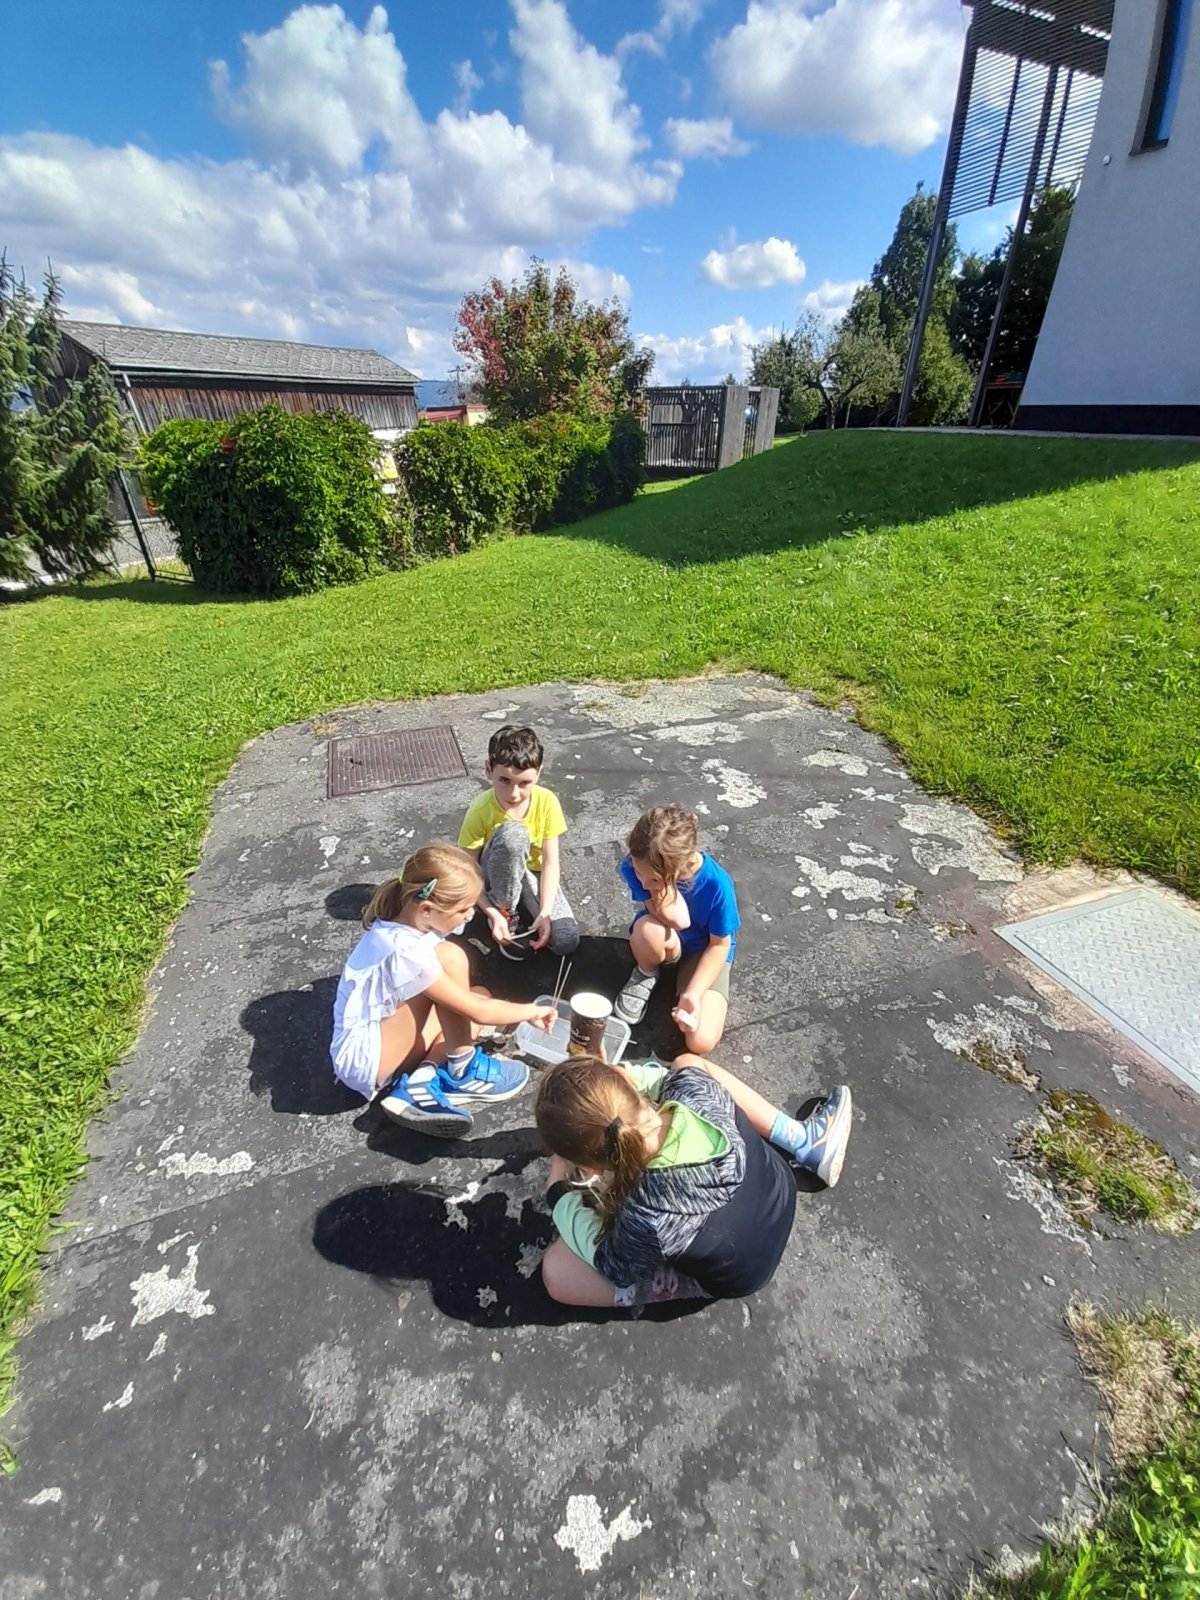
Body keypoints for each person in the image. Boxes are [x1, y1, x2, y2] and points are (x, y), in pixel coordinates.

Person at [535, 1053, 852, 1308]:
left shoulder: (646, 1215)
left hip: (744, 1276)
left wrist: (558, 1193)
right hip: (780, 1187)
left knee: (557, 1272)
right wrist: (620, 1084)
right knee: (687, 1061)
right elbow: (657, 1080)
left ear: (589, 1166)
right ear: (625, 1079)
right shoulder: (694, 1087)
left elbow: (615, 1266)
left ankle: (668, 1287)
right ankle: (799, 1139)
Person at [330, 843, 557, 1135]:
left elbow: (474, 1003)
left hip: (380, 1042)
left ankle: (420, 1081)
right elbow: (479, 1012)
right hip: (365, 1062)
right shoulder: (407, 953)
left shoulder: (404, 917)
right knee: (454, 968)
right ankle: (462, 1070)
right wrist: (531, 1011)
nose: (469, 915)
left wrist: (492, 915)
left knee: (477, 991)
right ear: (427, 909)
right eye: (463, 909)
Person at [614, 805, 738, 1054]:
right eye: (639, 874)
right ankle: (646, 972)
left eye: (653, 880)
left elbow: (719, 945)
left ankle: (685, 985)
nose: (644, 884)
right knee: (647, 931)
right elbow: (661, 914)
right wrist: (661, 891)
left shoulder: (717, 885)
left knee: (700, 1041)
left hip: (703, 951)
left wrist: (693, 994)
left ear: (679, 867)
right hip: (666, 938)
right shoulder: (636, 864)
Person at [457, 724, 580, 962]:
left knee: (566, 940)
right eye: (504, 780)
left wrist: (545, 912)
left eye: (524, 783)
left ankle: (524, 906)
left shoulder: (547, 801)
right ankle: (506, 910)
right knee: (514, 834)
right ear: (488, 769)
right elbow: (466, 869)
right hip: (495, 875)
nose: (514, 794)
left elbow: (550, 863)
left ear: (538, 774)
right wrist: (493, 913)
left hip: (531, 874)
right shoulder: (480, 809)